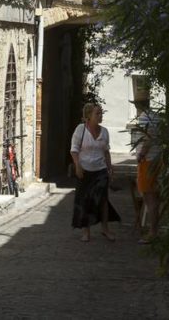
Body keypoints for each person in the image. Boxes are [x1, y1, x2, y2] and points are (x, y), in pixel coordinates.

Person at [70, 102, 121, 242]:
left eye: (101, 113)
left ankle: (105, 229)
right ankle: (86, 232)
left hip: (100, 170)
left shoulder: (104, 131)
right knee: (85, 200)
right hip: (85, 170)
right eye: (97, 113)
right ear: (88, 116)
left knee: (103, 199)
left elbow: (106, 152)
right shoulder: (80, 130)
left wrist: (110, 169)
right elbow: (74, 150)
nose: (100, 116)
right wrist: (78, 166)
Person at [135, 109, 162, 243]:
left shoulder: (146, 117)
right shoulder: (157, 116)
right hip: (157, 160)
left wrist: (141, 155)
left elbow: (148, 137)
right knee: (154, 197)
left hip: (148, 161)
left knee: (150, 198)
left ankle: (153, 232)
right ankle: (154, 230)